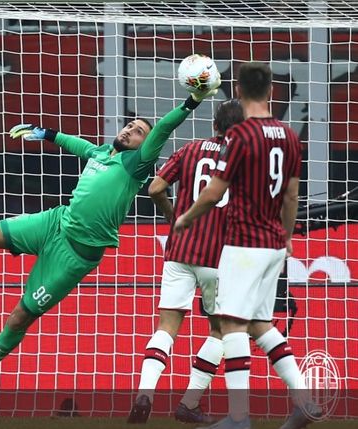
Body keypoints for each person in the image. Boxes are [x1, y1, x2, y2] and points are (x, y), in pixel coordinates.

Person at [0, 74, 221, 395]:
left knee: (20, 316)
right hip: (55, 223)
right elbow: (82, 146)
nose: (130, 131)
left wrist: (192, 101)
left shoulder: (137, 164)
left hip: (75, 257)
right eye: (129, 126)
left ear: (145, 145)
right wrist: (48, 133)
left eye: (138, 132)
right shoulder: (104, 153)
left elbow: (162, 129)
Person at [174, 62, 321, 429]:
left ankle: (239, 417)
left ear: (237, 91)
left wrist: (186, 218)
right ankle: (304, 401)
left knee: (231, 325)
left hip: (243, 243)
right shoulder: (289, 136)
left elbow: (214, 190)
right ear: (271, 91)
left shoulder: (240, 136)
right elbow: (291, 196)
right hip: (273, 244)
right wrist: (286, 238)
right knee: (260, 323)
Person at [128, 99, 245, 424]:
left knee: (166, 327)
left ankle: (145, 393)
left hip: (179, 251)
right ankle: (190, 402)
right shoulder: (243, 159)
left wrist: (174, 216)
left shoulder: (190, 150)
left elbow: (155, 188)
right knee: (220, 330)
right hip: (218, 255)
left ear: (215, 125)